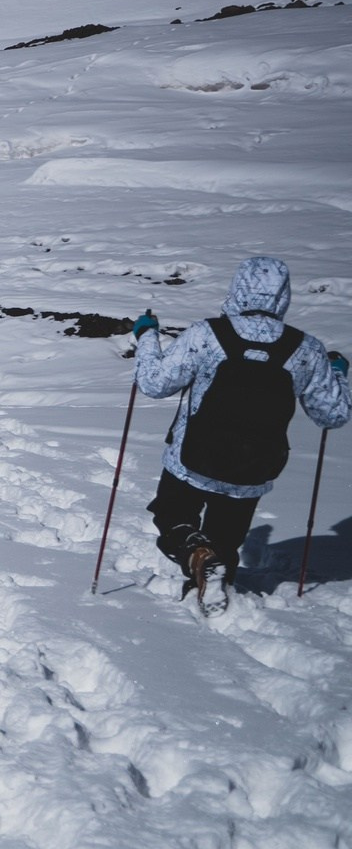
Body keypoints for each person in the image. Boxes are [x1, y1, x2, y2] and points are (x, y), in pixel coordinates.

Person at [135, 255, 348, 602]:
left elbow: (154, 383)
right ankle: (213, 596)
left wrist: (147, 336)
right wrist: (336, 373)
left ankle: (194, 553)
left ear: (237, 290)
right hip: (252, 471)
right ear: (284, 296)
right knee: (226, 542)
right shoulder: (306, 350)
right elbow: (332, 415)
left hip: (190, 460)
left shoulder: (207, 334)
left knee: (172, 517)